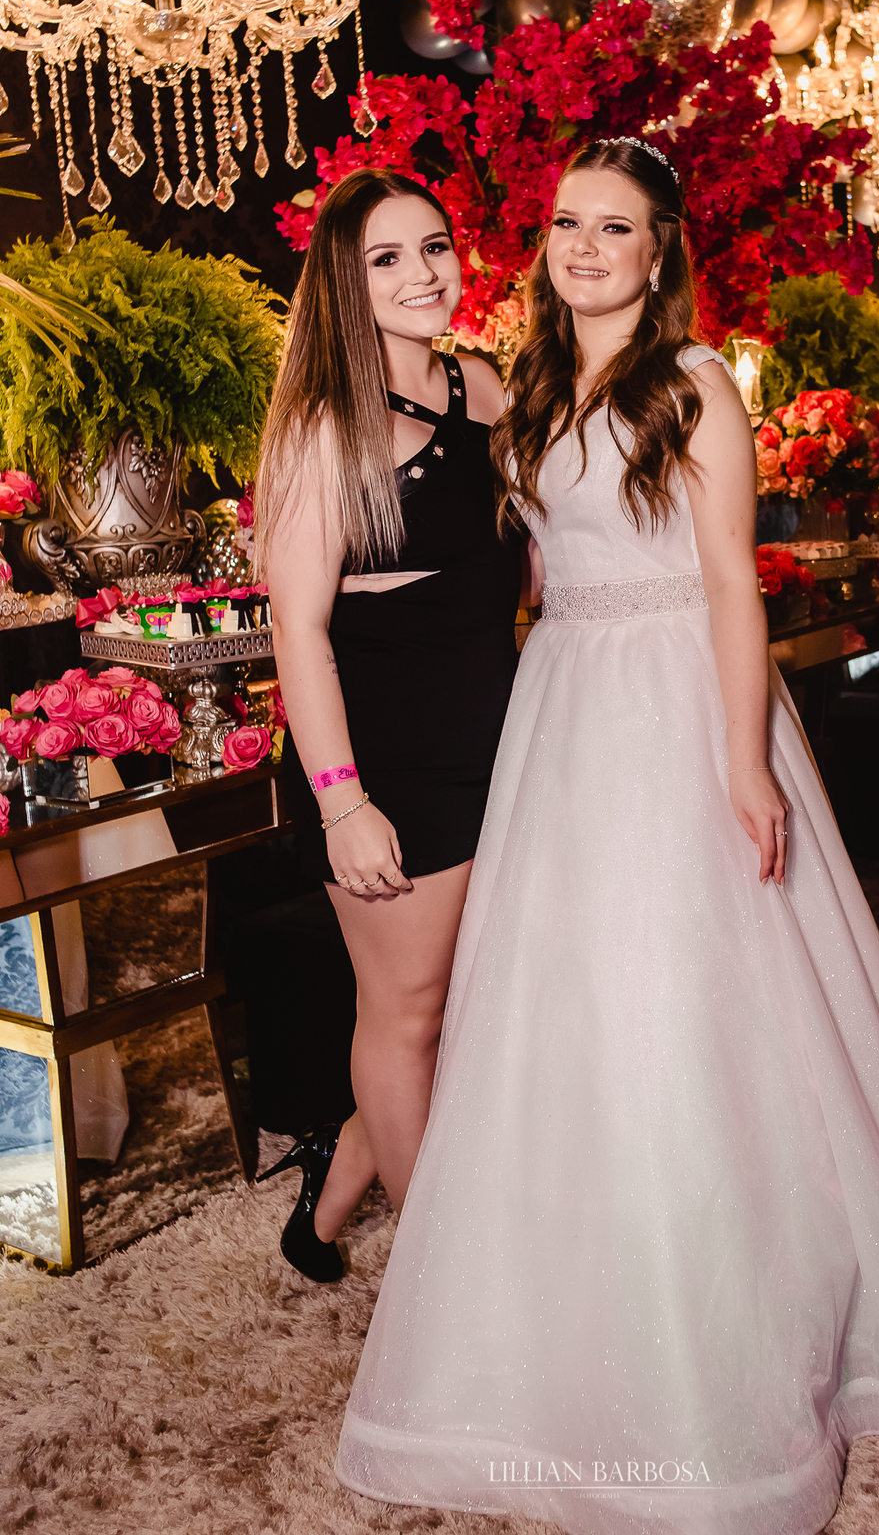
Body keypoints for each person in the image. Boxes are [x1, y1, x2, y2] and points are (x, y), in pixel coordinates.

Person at [335, 139, 879, 1531]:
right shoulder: (524, 385)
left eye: (616, 228)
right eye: (565, 223)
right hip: (560, 703)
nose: (584, 247)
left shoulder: (696, 382)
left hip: (677, 699)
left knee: (697, 997)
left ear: (660, 255)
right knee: (565, 1008)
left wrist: (745, 761)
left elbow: (728, 583)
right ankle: (564, 1290)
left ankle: (764, 1312)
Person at [253, 168, 521, 1283]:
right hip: (385, 762)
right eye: (387, 258)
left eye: (436, 246)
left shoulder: (485, 384)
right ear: (344, 282)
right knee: (408, 1019)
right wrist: (343, 804)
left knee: (477, 1005)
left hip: (504, 735)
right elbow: (299, 632)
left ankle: (328, 1194)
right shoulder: (326, 427)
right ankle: (446, 1293)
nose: (424, 273)